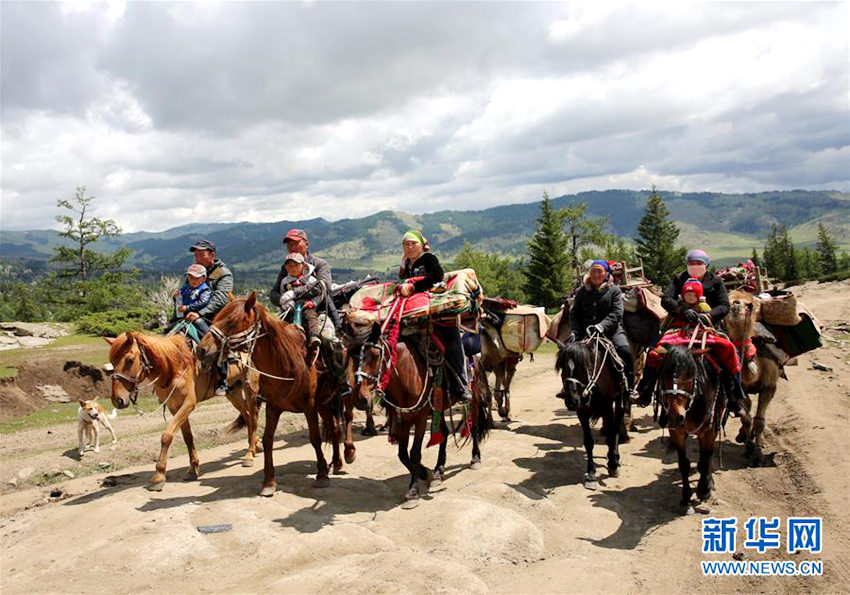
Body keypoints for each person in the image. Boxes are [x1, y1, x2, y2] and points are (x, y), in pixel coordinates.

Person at [634, 263, 747, 415]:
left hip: (703, 332)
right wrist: (682, 310)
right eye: (687, 295)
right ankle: (645, 390)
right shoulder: (678, 282)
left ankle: (734, 395)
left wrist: (708, 316)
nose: (690, 297)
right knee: (654, 353)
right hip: (678, 333)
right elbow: (666, 299)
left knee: (728, 348)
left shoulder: (710, 296)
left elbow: (724, 306)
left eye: (693, 295)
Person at [270, 229, 351, 398]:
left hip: (318, 309)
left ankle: (342, 382)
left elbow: (323, 286)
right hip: (291, 312)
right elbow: (274, 293)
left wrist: (294, 293)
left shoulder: (320, 264)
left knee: (330, 340)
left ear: (306, 244)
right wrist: (284, 300)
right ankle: (269, 386)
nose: (292, 246)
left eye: (296, 242)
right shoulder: (286, 266)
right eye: (289, 244)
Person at [397, 229, 472, 403]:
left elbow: (437, 276)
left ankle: (460, 385)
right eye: (406, 244)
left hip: (434, 307)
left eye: (413, 243)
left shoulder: (428, 259)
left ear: (421, 246)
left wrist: (415, 287)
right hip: (413, 311)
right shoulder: (406, 265)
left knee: (452, 339)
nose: (409, 247)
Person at [567, 260, 636, 403]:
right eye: (593, 271)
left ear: (606, 274)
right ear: (589, 273)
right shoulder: (581, 292)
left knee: (625, 352)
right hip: (586, 333)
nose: (596, 274)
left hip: (611, 332)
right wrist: (574, 331)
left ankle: (630, 389)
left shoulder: (614, 291)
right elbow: (574, 314)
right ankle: (568, 388)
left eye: (600, 271)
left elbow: (617, 313)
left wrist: (602, 326)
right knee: (568, 354)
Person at [184, 239, 234, 396]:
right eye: (196, 255)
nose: (198, 258)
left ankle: (222, 379)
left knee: (217, 342)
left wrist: (200, 313)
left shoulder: (223, 273)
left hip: (216, 317)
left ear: (212, 254)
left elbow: (220, 298)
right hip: (193, 314)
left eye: (201, 254)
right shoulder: (195, 271)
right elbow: (188, 290)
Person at [276, 252, 323, 357]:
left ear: (303, 265)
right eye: (290, 266)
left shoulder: (311, 279)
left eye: (296, 265)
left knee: (310, 316)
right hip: (291, 308)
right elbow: (283, 295)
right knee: (280, 322)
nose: (293, 268)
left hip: (306, 306)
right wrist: (285, 304)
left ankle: (313, 336)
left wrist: (313, 303)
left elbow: (318, 294)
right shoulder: (285, 281)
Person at [170, 263, 211, 328]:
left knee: (199, 323)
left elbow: (203, 302)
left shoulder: (205, 289)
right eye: (190, 277)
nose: (193, 280)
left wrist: (188, 307)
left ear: (204, 278)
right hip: (182, 314)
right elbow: (180, 298)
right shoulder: (186, 287)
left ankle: (207, 336)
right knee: (171, 325)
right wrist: (176, 297)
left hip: (197, 314)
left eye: (196, 278)